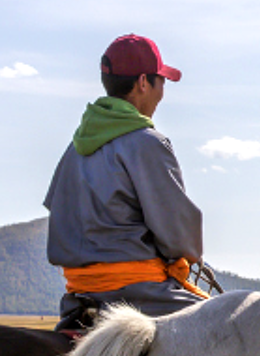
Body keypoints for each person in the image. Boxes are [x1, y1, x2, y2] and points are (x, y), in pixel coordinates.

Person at [46, 34, 207, 330]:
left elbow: (58, 215)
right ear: (143, 82)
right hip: (142, 298)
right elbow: (180, 235)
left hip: (79, 301)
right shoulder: (147, 143)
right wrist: (185, 255)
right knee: (233, 332)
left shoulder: (74, 149)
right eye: (162, 82)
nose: (161, 93)